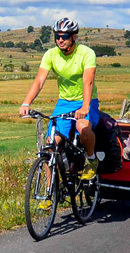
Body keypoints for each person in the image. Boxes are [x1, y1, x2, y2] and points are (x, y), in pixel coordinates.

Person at [19, 17, 104, 179]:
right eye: (57, 36)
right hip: (64, 102)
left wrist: (85, 107)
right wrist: (26, 103)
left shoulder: (86, 53)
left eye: (64, 36)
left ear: (73, 37)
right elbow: (39, 80)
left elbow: (88, 82)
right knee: (50, 146)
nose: (60, 40)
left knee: (82, 125)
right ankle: (50, 193)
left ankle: (91, 160)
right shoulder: (51, 55)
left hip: (86, 101)